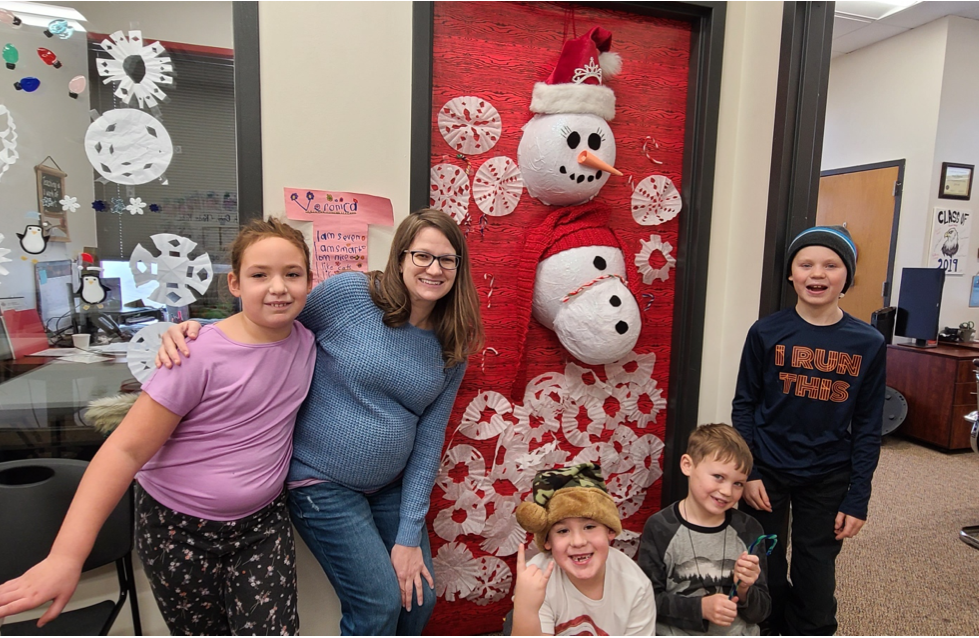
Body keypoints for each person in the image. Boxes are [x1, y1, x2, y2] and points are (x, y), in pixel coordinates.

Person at [156, 208, 483, 635]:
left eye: (447, 259)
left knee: (419, 600)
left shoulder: (451, 340)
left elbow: (428, 439)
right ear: (400, 257)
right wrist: (202, 331)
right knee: (380, 604)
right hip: (320, 484)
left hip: (390, 487)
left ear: (459, 268)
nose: (434, 269)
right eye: (422, 255)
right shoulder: (352, 295)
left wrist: (407, 536)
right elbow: (271, 327)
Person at [0, 218, 317, 634]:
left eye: (292, 274)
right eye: (260, 275)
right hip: (179, 532)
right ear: (235, 285)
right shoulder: (194, 354)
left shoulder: (308, 339)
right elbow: (124, 450)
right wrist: (66, 557)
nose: (278, 287)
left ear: (310, 282)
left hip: (262, 526)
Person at [731, 225, 886, 635]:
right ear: (792, 274)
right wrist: (750, 472)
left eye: (831, 265)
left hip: (829, 474)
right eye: (806, 264)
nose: (818, 274)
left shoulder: (867, 342)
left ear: (846, 278)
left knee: (816, 572)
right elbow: (744, 405)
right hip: (767, 471)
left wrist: (859, 498)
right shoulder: (765, 332)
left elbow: (870, 425)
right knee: (766, 565)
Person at [638, 423, 771, 636]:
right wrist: (700, 608)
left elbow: (761, 612)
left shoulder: (749, 529)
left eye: (738, 484)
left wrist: (745, 590)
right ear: (687, 465)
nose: (727, 491)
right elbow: (645, 601)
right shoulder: (660, 527)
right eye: (718, 477)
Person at [512, 463, 656, 636]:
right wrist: (525, 608)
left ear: (610, 531)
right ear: (547, 542)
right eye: (563, 531)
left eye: (589, 527)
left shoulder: (635, 586)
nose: (578, 542)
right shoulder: (538, 580)